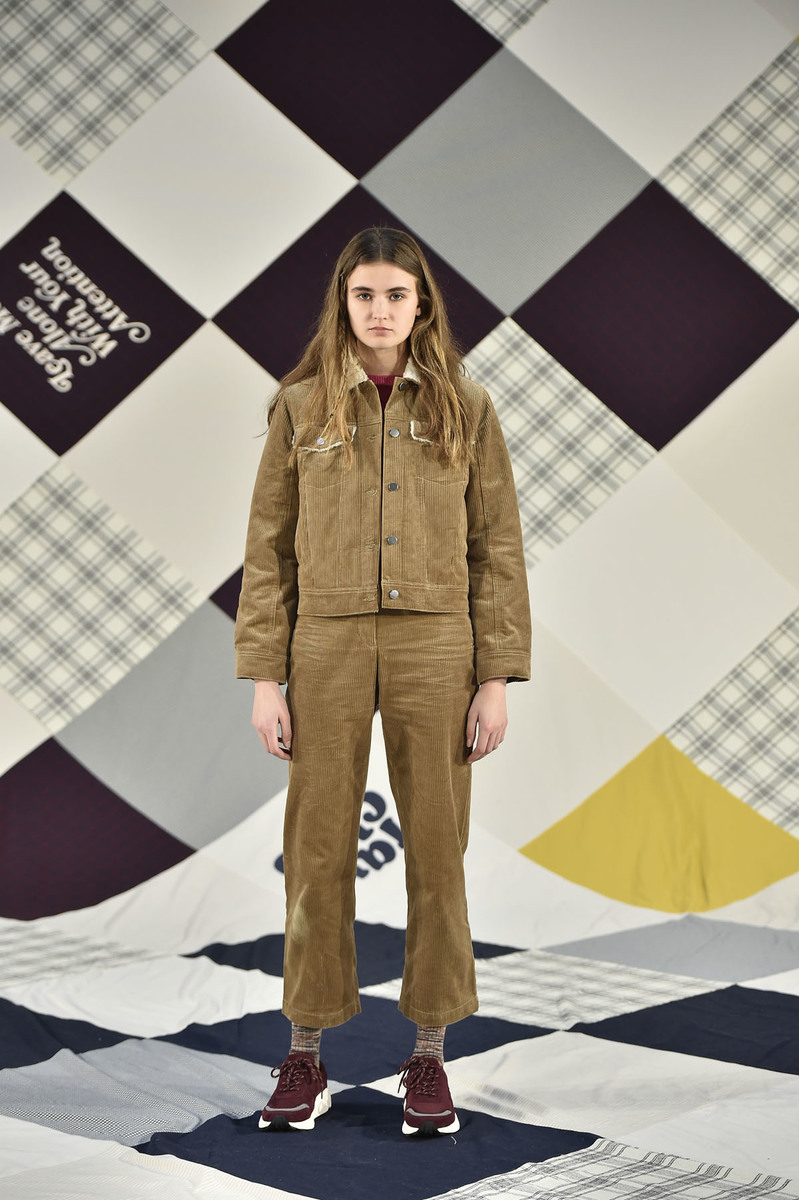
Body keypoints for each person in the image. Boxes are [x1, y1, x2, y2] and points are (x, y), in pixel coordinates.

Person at [234, 227, 531, 1137]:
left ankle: (428, 1055)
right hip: (323, 645)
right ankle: (305, 1052)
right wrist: (265, 677)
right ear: (344, 302)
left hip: (437, 644)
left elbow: (496, 546)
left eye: (395, 294)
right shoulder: (299, 408)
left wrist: (495, 675)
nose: (379, 310)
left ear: (420, 304)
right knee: (316, 850)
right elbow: (269, 550)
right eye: (363, 294)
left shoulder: (466, 407)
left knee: (437, 849)